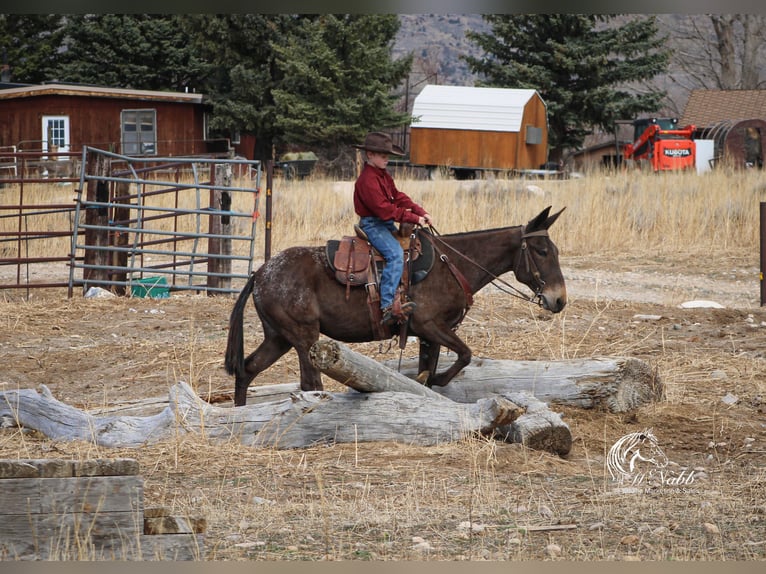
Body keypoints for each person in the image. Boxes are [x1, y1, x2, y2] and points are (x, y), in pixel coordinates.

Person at [352, 132, 434, 326]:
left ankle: (404, 293)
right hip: (373, 224)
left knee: (412, 247)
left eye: (387, 155)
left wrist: (420, 210)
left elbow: (397, 196)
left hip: (383, 222)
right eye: (382, 155)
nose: (386, 158)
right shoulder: (367, 181)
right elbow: (385, 210)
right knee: (396, 254)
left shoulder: (382, 175)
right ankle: (387, 305)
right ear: (370, 155)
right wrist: (414, 218)